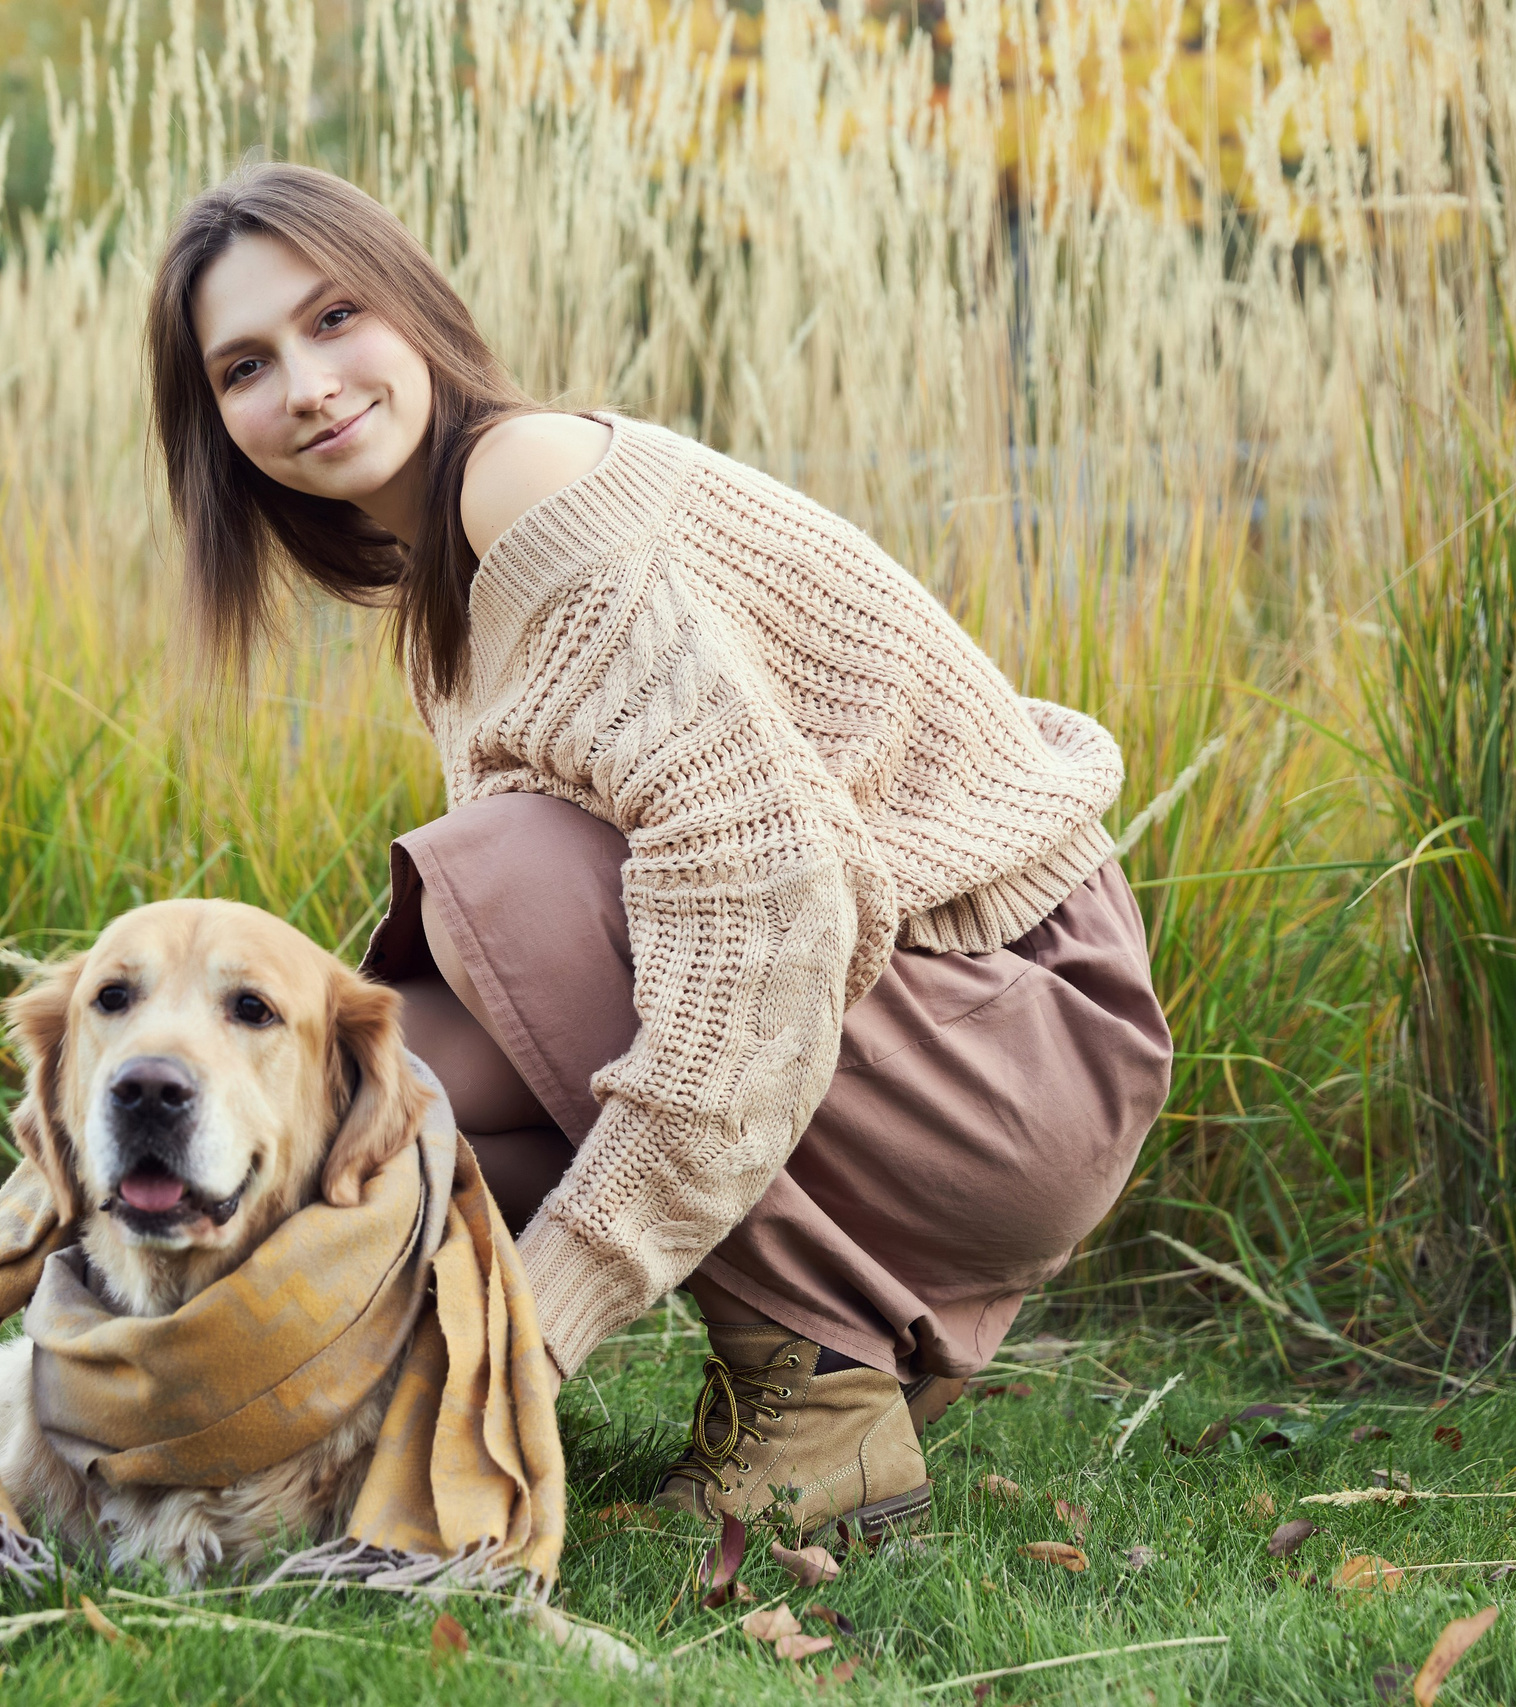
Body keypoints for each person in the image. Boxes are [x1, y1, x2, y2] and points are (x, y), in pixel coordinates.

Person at [145, 162, 1172, 1542]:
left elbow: (773, 907)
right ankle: (236, 1397)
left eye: (337, 319)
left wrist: (552, 1326)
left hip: (1017, 1041)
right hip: (928, 1043)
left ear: (418, 311)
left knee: (506, 880)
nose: (309, 385)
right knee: (359, 1108)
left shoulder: (530, 484)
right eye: (248, 365)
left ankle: (810, 1379)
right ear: (213, 422)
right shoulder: (448, 579)